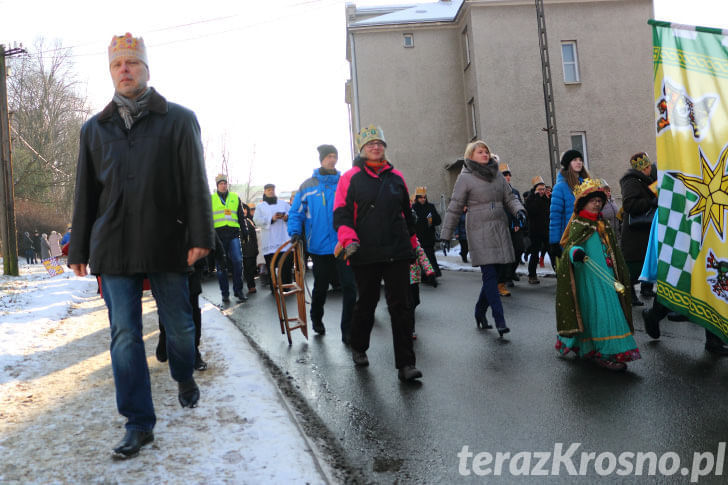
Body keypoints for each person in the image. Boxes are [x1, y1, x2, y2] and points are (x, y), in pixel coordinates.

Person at [68, 33, 214, 459]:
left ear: (146, 69)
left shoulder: (179, 120)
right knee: (124, 336)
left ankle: (184, 374)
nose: (125, 70)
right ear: (111, 72)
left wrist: (201, 236)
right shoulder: (94, 129)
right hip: (113, 244)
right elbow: (85, 194)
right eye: (117, 65)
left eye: (132, 63)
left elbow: (195, 182)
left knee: (182, 330)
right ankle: (138, 423)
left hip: (166, 238)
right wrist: (79, 246)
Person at [333, 124, 422, 382]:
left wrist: (413, 243)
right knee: (367, 303)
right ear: (362, 149)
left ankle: (406, 364)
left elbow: (407, 214)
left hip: (397, 249)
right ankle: (359, 346)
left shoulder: (397, 178)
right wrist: (348, 238)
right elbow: (341, 213)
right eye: (370, 144)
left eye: (380, 143)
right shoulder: (350, 178)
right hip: (365, 250)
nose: (376, 147)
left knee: (401, 307)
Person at [439, 140, 526, 336]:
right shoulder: (465, 178)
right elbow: (454, 207)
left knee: (495, 275)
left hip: (499, 228)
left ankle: (479, 312)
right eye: (480, 152)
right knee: (489, 276)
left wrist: (519, 210)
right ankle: (500, 320)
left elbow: (510, 198)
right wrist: (446, 235)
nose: (485, 154)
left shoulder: (497, 175)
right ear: (471, 156)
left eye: (486, 151)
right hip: (479, 230)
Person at [555, 179, 640, 371]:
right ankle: (604, 352)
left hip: (607, 275)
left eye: (599, 200)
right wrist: (574, 252)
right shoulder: (579, 224)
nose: (597, 203)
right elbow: (570, 246)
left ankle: (600, 349)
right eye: (592, 200)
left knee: (605, 309)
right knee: (596, 311)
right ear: (583, 203)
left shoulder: (603, 224)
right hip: (588, 278)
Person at [288, 144, 357, 342]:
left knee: (350, 286)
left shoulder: (344, 182)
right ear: (321, 160)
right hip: (318, 245)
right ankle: (316, 317)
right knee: (320, 286)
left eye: (335, 156)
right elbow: (296, 213)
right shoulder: (308, 185)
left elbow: (355, 209)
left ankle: (348, 330)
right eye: (328, 157)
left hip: (342, 243)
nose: (332, 160)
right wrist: (294, 232)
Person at [619, 153, 657, 306]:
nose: (649, 169)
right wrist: (651, 201)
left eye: (649, 166)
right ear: (641, 169)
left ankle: (646, 288)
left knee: (647, 260)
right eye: (646, 167)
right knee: (634, 265)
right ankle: (628, 294)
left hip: (645, 229)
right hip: (635, 232)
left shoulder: (647, 180)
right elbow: (629, 205)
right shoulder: (631, 182)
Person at [156, 260, 208, 370]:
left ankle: (193, 350)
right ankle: (165, 335)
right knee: (166, 304)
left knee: (192, 305)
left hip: (191, 256)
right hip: (161, 259)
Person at [211, 173, 247, 304]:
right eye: (221, 183)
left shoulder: (234, 197)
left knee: (238, 261)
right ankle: (225, 294)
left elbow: (240, 216)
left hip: (233, 235)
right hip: (218, 237)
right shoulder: (211, 199)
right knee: (221, 267)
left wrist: (245, 231)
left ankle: (239, 291)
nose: (223, 185)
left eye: (225, 183)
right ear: (217, 185)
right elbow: (208, 219)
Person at [549, 150, 591, 261]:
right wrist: (554, 242)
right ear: (568, 163)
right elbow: (555, 217)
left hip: (588, 234)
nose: (579, 162)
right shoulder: (560, 187)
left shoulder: (587, 184)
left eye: (580, 160)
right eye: (574, 160)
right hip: (569, 236)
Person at [253, 183, 293, 292]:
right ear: (265, 192)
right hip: (269, 242)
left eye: (272, 190)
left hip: (283, 240)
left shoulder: (283, 204)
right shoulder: (260, 206)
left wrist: (286, 217)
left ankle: (287, 286)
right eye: (268, 190)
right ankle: (274, 287)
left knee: (285, 265)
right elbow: (256, 220)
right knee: (272, 266)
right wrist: (271, 219)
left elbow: (292, 214)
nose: (271, 191)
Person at [498, 162, 525, 294]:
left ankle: (512, 271)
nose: (507, 177)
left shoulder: (515, 192)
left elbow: (518, 207)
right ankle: (506, 277)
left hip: (515, 227)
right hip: (503, 227)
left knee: (519, 249)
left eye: (508, 175)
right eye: (504, 175)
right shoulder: (497, 192)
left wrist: (518, 223)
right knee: (507, 254)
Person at [412, 186, 442, 279]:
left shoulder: (430, 207)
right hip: (418, 237)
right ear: (417, 198)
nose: (423, 199)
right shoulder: (413, 208)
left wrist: (432, 219)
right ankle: (423, 275)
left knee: (430, 255)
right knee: (419, 257)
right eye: (420, 197)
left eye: (424, 197)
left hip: (429, 236)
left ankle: (433, 273)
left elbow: (438, 220)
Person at [409, 239, 435, 340]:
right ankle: (409, 329)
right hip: (400, 278)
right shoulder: (394, 236)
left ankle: (408, 327)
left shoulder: (413, 240)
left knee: (415, 301)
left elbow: (422, 256)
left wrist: (430, 272)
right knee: (408, 305)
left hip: (414, 278)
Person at [525, 176, 549, 285]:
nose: (542, 191)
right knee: (534, 254)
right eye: (540, 189)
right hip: (535, 231)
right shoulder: (530, 198)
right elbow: (532, 211)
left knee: (552, 252)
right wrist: (537, 197)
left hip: (546, 230)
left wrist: (548, 198)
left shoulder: (547, 198)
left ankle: (560, 273)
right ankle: (532, 275)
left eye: (543, 189)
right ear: (535, 189)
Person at [241, 203, 259, 294]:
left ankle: (251, 285)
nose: (244, 211)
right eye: (242, 209)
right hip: (243, 249)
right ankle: (251, 286)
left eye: (245, 209)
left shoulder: (250, 220)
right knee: (247, 268)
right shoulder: (237, 222)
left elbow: (254, 236)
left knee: (251, 268)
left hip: (252, 248)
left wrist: (256, 248)